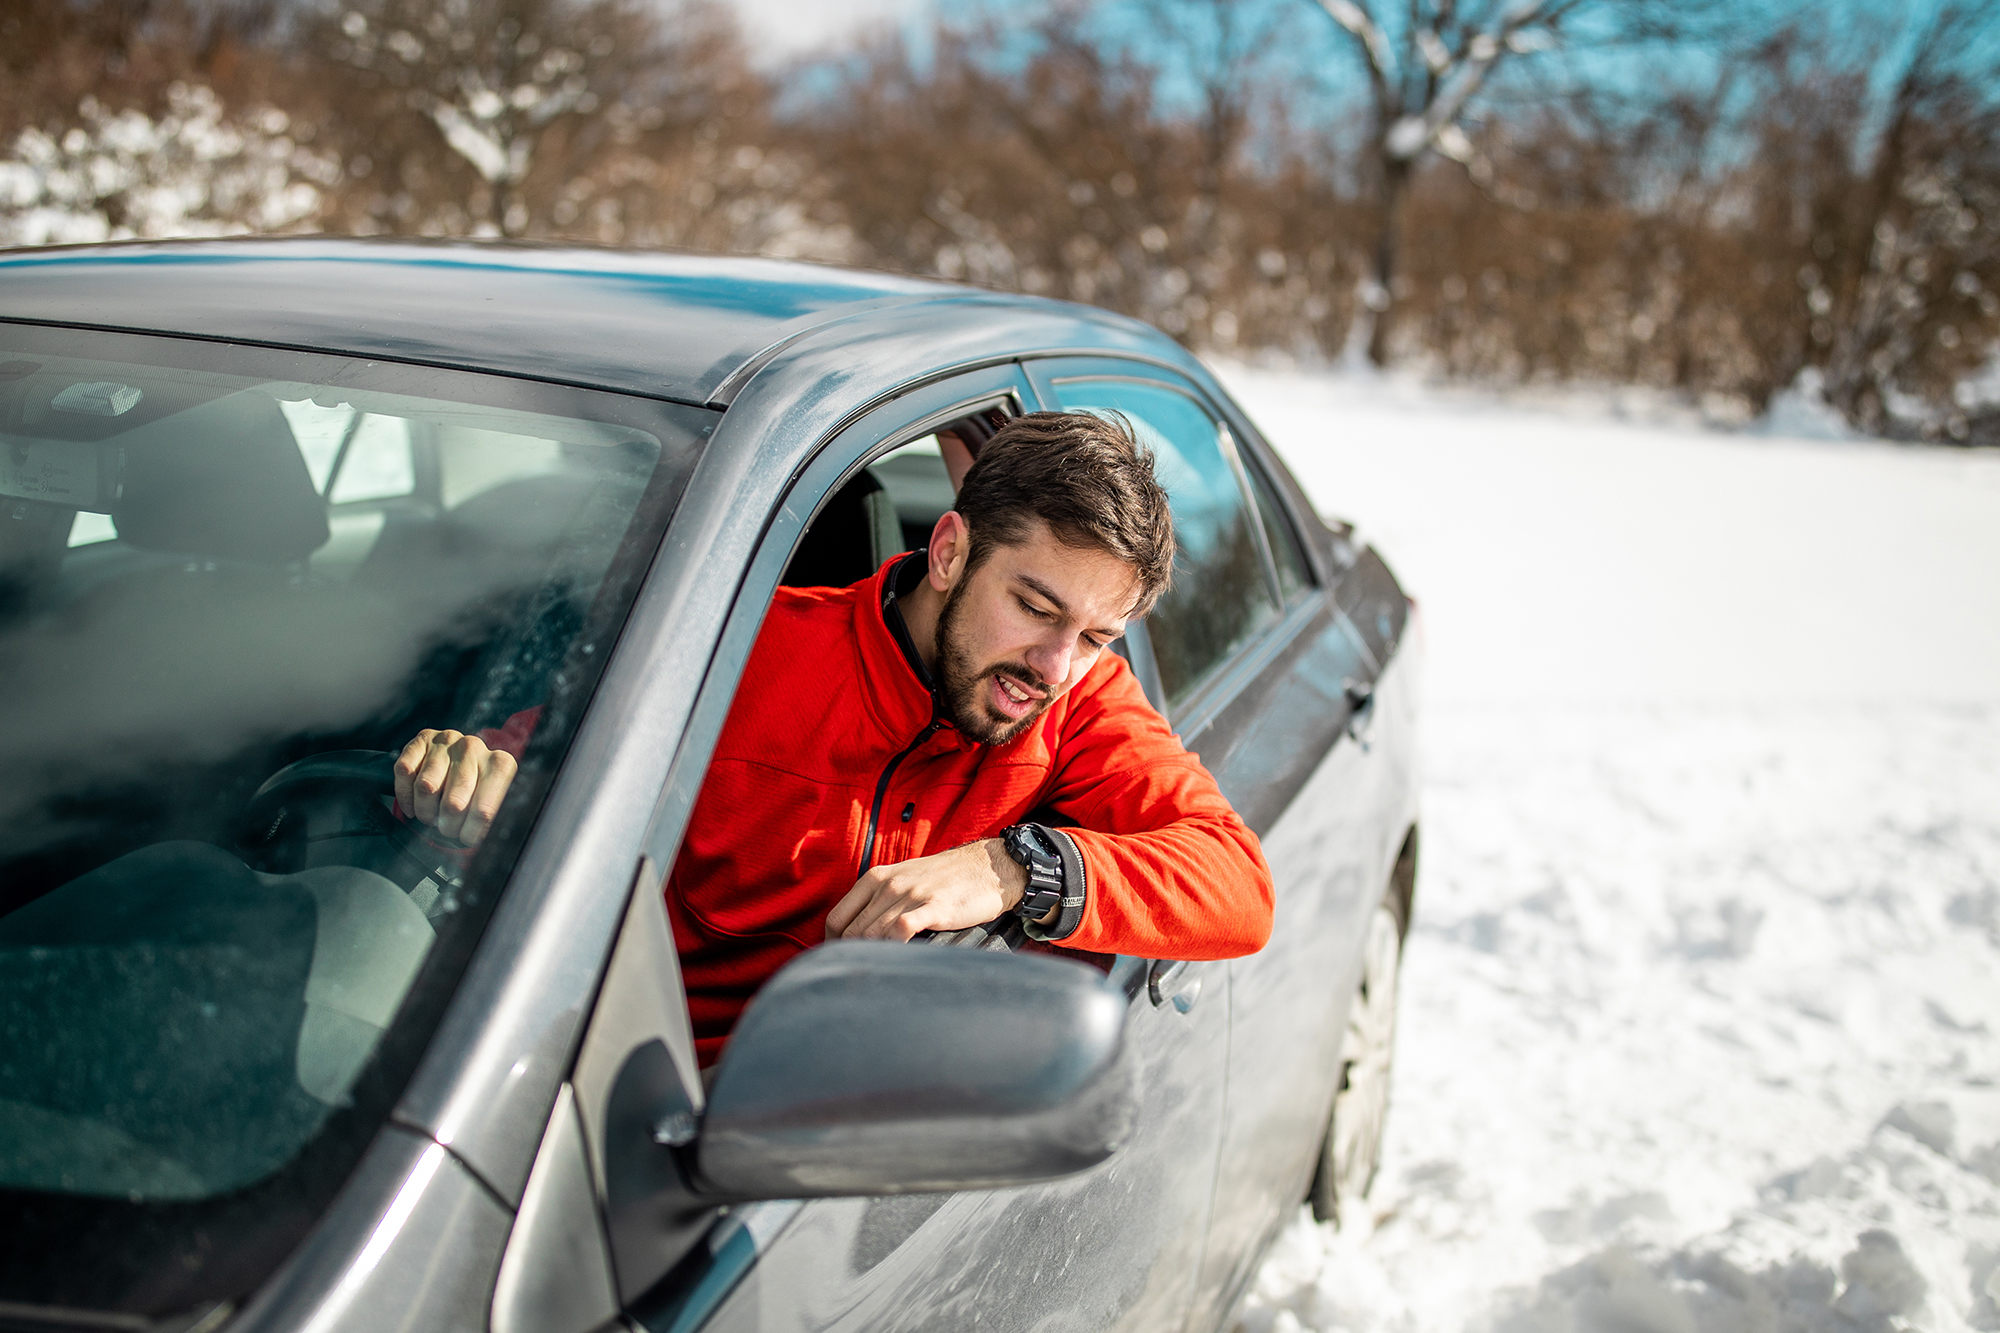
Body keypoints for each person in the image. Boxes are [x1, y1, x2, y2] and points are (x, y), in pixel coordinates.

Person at [396, 411, 1275, 1064]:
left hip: (853, 1145)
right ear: (949, 553)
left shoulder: (1079, 702)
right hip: (628, 1111)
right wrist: (462, 772)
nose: (1053, 664)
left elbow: (1238, 884)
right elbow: (516, 772)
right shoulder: (732, 652)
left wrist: (1013, 868)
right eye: (1034, 607)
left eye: (1094, 636)